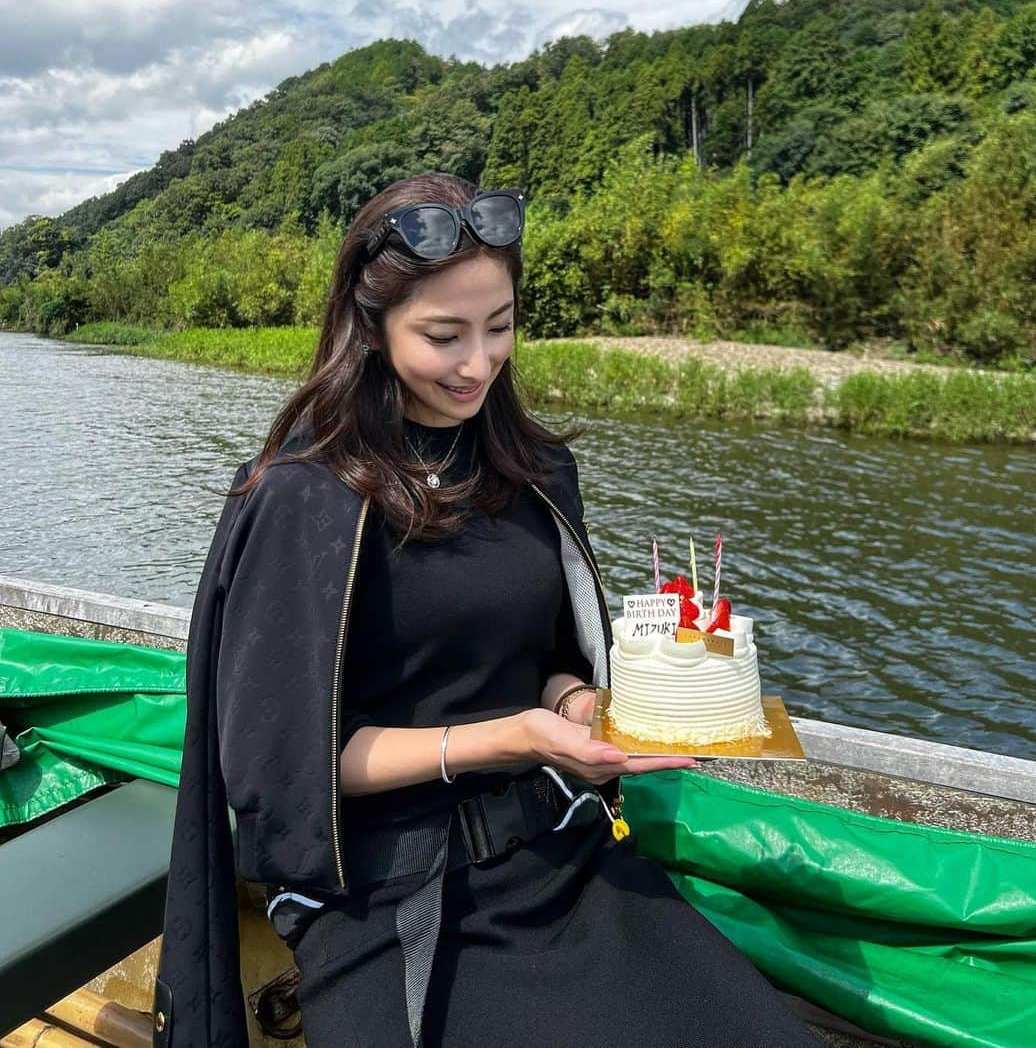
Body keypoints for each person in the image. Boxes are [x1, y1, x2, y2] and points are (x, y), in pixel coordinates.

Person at [152, 172, 818, 1048]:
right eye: (443, 335)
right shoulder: (305, 498)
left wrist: (577, 706)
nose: (478, 363)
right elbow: (281, 773)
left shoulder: (529, 469)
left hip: (558, 848)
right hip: (380, 889)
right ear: (372, 326)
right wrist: (511, 737)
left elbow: (548, 655)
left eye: (499, 327)